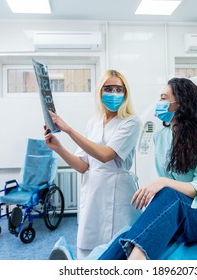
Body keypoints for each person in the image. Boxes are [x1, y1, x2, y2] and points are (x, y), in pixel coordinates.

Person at [49, 77, 197, 260]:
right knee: (131, 232)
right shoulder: (161, 137)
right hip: (178, 213)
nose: (159, 103)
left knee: (166, 195)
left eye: (164, 98)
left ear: (181, 103)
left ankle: (136, 261)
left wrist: (162, 183)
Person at [44, 70, 142, 259]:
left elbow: (106, 155)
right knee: (88, 246)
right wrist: (58, 147)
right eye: (109, 88)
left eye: (118, 89)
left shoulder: (131, 122)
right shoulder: (94, 123)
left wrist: (69, 130)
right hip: (93, 192)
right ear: (100, 91)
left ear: (125, 93)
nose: (114, 93)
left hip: (119, 192)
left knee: (116, 250)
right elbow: (83, 165)